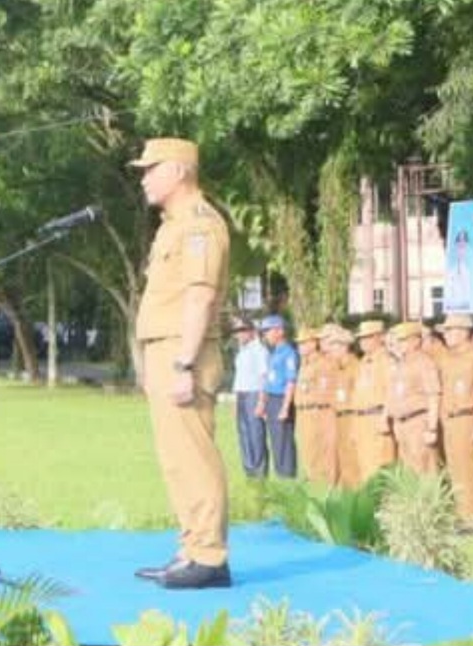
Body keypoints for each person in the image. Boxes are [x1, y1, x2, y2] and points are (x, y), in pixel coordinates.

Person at [129, 138, 231, 590]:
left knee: (195, 456)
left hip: (181, 350)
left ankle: (209, 556)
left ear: (178, 171)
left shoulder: (198, 226)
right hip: (165, 349)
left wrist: (184, 364)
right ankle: (192, 548)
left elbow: (200, 296)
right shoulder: (171, 226)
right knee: (176, 459)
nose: (144, 178)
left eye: (151, 169)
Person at [437, 314, 473, 531]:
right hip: (451, 419)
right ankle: (463, 514)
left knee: (470, 468)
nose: (446, 335)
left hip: (469, 417)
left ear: (463, 331)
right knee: (456, 468)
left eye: (450, 331)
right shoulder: (448, 359)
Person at [386, 322, 442, 475]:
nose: (399, 344)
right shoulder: (400, 364)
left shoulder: (424, 362)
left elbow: (433, 396)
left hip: (418, 423)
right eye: (398, 340)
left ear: (416, 341)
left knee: (424, 470)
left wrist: (432, 428)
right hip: (401, 424)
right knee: (409, 472)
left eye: (403, 340)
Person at [351, 320, 397, 483]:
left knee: (379, 466)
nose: (363, 342)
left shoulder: (387, 361)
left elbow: (392, 393)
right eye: (361, 338)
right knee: (364, 466)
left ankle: (383, 506)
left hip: (377, 418)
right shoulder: (363, 362)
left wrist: (385, 418)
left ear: (380, 338)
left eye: (368, 337)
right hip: (362, 420)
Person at [255, 315, 299, 479]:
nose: (266, 335)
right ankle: (281, 475)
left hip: (281, 400)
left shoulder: (289, 353)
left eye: (268, 331)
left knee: (284, 443)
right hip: (272, 400)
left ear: (280, 331)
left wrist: (285, 407)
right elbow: (269, 382)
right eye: (265, 332)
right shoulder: (274, 354)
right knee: (275, 441)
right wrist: (263, 403)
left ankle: (288, 476)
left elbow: (290, 382)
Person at [321, 324, 360, 488]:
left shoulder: (355, 367)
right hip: (339, 417)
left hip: (352, 417)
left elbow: (359, 397)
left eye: (333, 346)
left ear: (343, 347)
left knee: (352, 461)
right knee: (342, 460)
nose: (330, 350)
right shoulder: (338, 368)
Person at [294, 327, 334, 484]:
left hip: (317, 411)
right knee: (307, 448)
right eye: (299, 343)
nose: (300, 346)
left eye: (304, 343)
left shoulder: (323, 364)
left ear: (313, 344)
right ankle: (312, 477)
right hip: (303, 412)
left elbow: (325, 391)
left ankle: (324, 479)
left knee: (320, 448)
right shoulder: (304, 364)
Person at [231, 317, 269, 477]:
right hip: (242, 395)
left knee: (256, 435)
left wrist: (262, 401)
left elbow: (264, 377)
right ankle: (249, 470)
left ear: (252, 331)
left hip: (254, 394)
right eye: (237, 331)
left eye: (242, 330)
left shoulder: (259, 350)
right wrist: (235, 401)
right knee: (244, 434)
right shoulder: (242, 351)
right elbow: (239, 377)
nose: (239, 334)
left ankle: (260, 471)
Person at [445, 229, 471, 309]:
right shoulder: (451, 269)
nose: (461, 244)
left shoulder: (472, 269)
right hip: (455, 308)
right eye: (459, 241)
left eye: (464, 241)